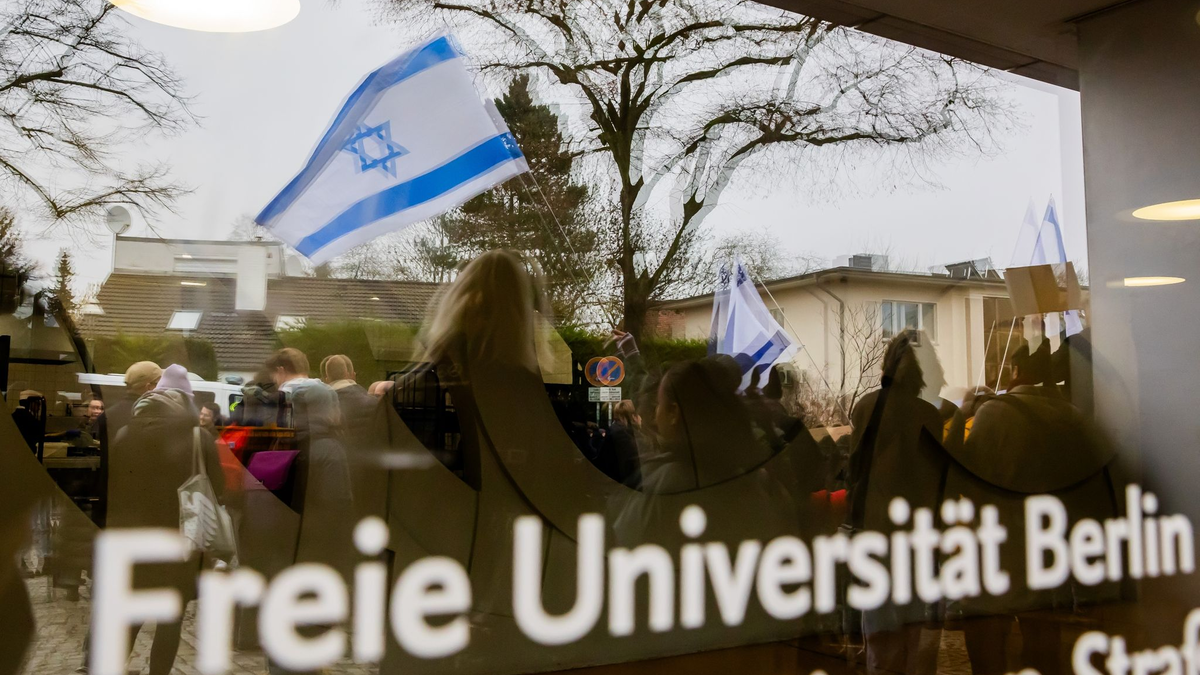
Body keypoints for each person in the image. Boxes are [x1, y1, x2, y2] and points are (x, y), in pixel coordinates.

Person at [102, 364, 223, 675]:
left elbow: (109, 489)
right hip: (180, 541)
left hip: (133, 540)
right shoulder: (200, 439)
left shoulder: (126, 434)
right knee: (170, 620)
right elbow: (219, 490)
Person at [848, 330, 948, 675]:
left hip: (875, 533)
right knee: (914, 636)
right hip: (918, 536)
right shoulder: (929, 416)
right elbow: (937, 483)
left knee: (879, 634)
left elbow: (854, 474)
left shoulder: (865, 409)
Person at [600, 400, 641, 486]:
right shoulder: (625, 435)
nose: (641, 418)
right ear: (633, 416)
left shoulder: (617, 431)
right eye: (639, 415)